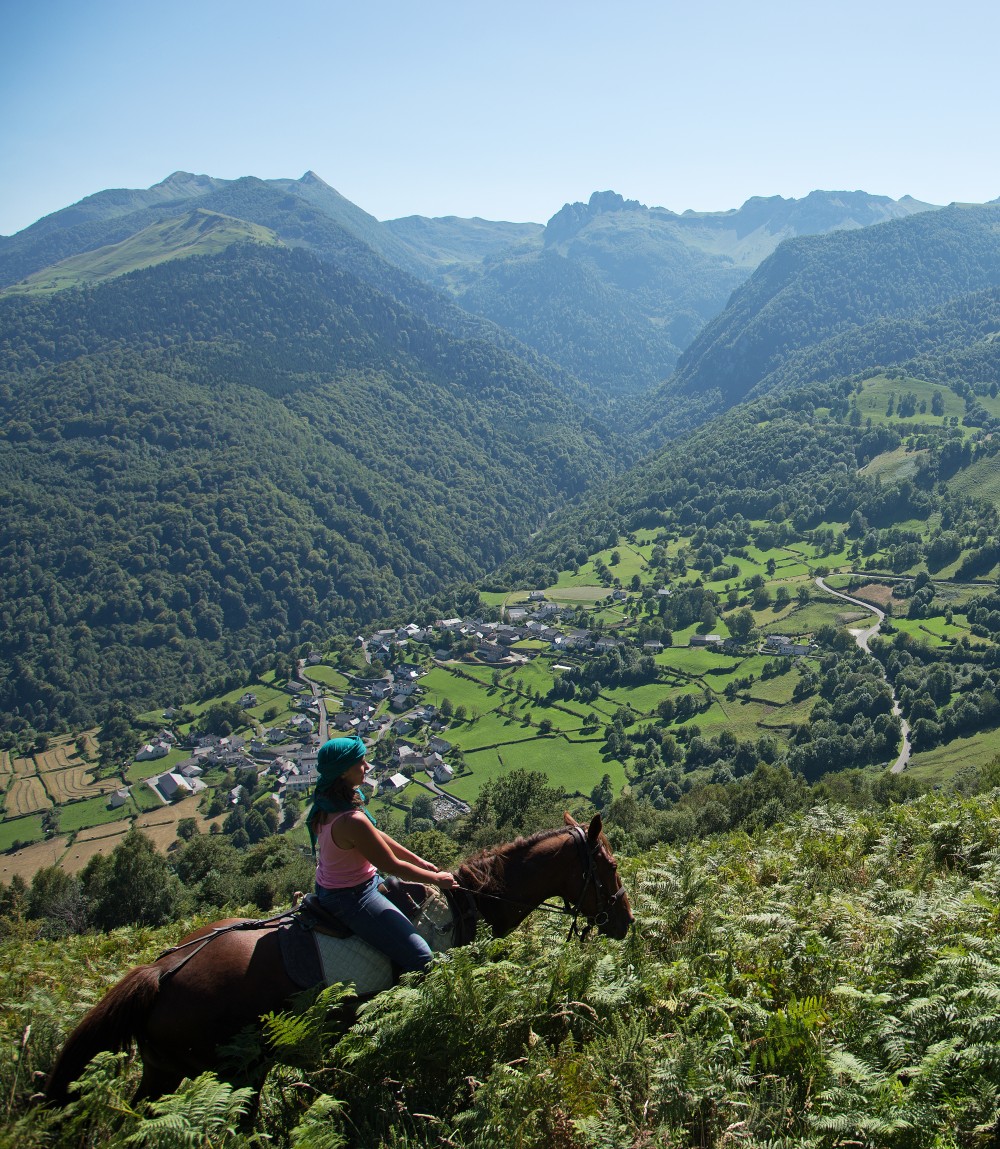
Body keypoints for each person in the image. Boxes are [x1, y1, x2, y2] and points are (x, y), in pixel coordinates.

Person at [307, 735, 456, 973]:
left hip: (335, 886)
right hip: (352, 897)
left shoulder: (327, 803)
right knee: (422, 959)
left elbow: (376, 836)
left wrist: (418, 861)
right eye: (361, 762)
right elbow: (392, 865)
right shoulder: (350, 820)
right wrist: (437, 880)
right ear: (343, 771)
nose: (367, 767)